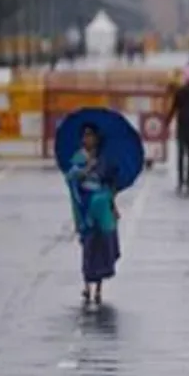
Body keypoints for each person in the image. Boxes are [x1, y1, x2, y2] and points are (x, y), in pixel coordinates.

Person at [65, 124, 121, 306]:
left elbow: (111, 183)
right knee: (88, 245)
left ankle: (99, 287)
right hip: (85, 207)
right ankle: (87, 285)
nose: (86, 139)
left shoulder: (104, 159)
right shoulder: (79, 157)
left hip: (103, 206)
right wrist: (86, 169)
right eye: (84, 135)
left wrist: (113, 204)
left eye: (90, 135)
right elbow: (72, 177)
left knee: (103, 245)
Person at [167, 76, 189, 194]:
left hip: (181, 126)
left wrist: (167, 121)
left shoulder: (180, 93)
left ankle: (180, 181)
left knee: (181, 155)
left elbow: (174, 108)